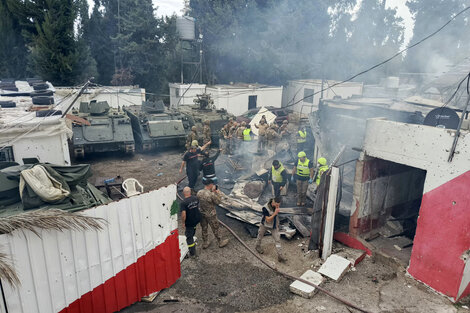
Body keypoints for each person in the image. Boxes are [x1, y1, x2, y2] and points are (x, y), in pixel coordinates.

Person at [197, 179, 229, 249]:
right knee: (215, 228)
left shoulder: (199, 192)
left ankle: (205, 243)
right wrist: (217, 192)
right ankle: (220, 242)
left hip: (202, 213)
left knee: (204, 228)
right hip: (211, 214)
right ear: (211, 184)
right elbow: (218, 202)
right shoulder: (211, 194)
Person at [255, 197, 286, 262]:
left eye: (279, 205)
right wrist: (275, 213)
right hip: (265, 224)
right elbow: (268, 220)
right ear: (273, 202)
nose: (278, 206)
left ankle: (280, 256)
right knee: (260, 235)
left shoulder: (276, 205)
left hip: (274, 226)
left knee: (277, 240)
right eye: (277, 205)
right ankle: (257, 246)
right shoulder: (265, 208)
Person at [180, 186, 201, 257]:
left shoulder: (183, 203)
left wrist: (183, 223)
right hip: (197, 219)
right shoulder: (195, 198)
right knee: (193, 228)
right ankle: (193, 232)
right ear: (190, 192)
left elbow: (183, 214)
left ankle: (192, 252)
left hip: (190, 222)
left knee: (189, 237)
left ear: (183, 193)